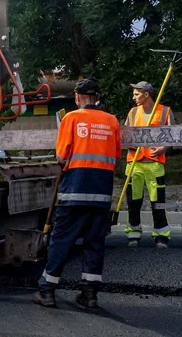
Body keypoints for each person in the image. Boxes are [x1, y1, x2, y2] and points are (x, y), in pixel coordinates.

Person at [34, 78, 123, 310]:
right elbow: (115, 156)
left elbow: (62, 156)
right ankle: (90, 295)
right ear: (97, 97)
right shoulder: (111, 121)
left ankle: (47, 291)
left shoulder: (71, 118)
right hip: (101, 194)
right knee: (94, 243)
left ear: (77, 98)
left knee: (61, 241)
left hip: (74, 191)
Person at [123, 80, 172, 248]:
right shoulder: (132, 112)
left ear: (146, 94)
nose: (134, 97)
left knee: (157, 202)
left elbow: (173, 136)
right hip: (134, 163)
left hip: (154, 162)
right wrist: (129, 144)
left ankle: (161, 234)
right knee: (133, 201)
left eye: (137, 94)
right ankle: (133, 233)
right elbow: (125, 135)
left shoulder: (165, 111)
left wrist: (163, 149)